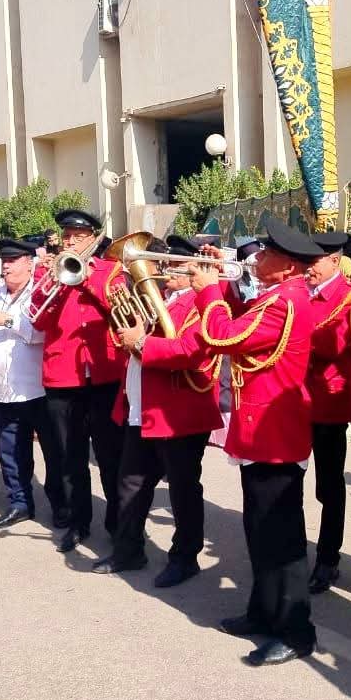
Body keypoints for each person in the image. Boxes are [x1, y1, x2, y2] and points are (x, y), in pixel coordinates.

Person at [194, 219, 319, 666]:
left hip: (275, 433)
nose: (255, 258)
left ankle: (296, 631)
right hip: (260, 429)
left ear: (286, 267)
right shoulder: (276, 297)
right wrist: (220, 285)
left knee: (282, 540)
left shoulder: (285, 303)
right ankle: (264, 612)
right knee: (259, 531)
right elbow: (241, 322)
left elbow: (220, 336)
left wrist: (208, 291)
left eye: (265, 254)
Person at [95, 235, 221, 587]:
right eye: (165, 265)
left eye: (176, 267)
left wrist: (139, 341)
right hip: (142, 406)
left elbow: (189, 351)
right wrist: (129, 336)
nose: (166, 272)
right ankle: (128, 549)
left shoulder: (203, 303)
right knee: (130, 484)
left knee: (182, 489)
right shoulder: (158, 298)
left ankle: (185, 557)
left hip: (178, 410)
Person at [30, 210, 124, 551]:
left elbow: (120, 312)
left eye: (77, 235)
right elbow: (38, 322)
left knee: (110, 455)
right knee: (69, 457)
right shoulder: (48, 274)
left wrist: (85, 281)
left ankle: (119, 524)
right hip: (63, 376)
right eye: (66, 235)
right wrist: (56, 283)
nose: (70, 241)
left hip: (104, 373)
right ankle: (77, 521)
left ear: (94, 238)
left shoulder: (111, 271)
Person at [0, 237, 63, 530]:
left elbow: (41, 333)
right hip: (2, 387)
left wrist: (7, 319)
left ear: (29, 263)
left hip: (37, 388)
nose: (6, 267)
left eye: (13, 261)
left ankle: (61, 507)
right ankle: (20, 503)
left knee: (53, 453)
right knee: (11, 452)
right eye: (4, 261)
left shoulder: (40, 291)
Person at [304, 230, 351, 594]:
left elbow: (335, 343)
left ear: (334, 261)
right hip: (293, 398)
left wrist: (288, 331)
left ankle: (328, 558)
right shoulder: (301, 290)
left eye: (314, 261)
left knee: (328, 486)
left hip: (328, 400)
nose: (306, 268)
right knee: (286, 480)